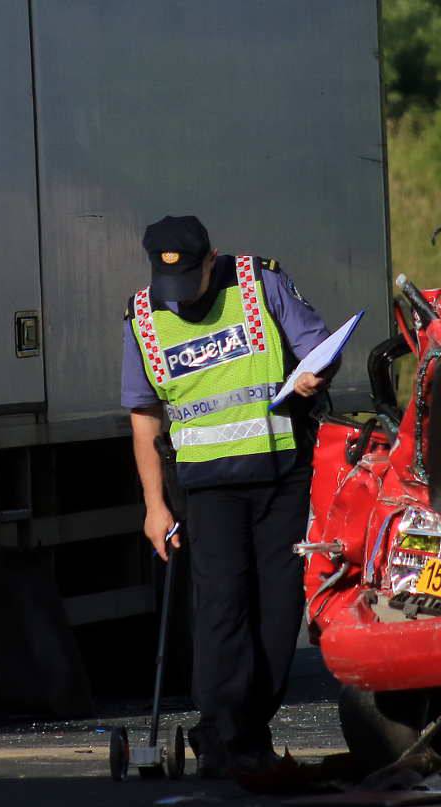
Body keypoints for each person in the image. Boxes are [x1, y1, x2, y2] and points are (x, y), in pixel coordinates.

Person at [122, 215, 332, 775]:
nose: (180, 297)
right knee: (221, 612)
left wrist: (314, 374)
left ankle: (245, 728)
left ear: (209, 261)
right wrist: (154, 506)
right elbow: (144, 422)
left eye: (190, 280)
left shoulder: (259, 282)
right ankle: (224, 736)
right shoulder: (144, 316)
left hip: (278, 475)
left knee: (278, 612)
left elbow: (319, 347)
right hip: (206, 489)